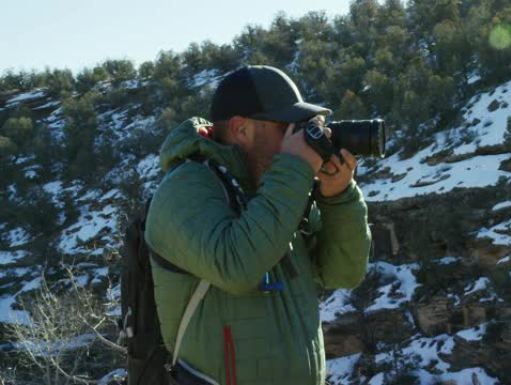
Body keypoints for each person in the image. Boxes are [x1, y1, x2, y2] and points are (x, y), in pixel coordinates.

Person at [144, 65, 372, 385]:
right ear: (241, 129)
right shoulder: (185, 189)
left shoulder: (276, 190)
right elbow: (236, 266)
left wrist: (338, 197)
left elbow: (343, 272)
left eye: (306, 127)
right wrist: (293, 168)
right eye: (288, 128)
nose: (300, 138)